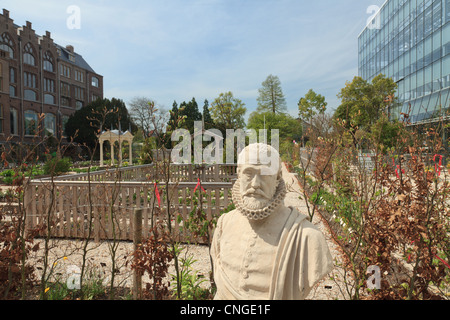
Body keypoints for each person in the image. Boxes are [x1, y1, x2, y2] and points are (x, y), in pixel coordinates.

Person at [211, 143, 333, 300]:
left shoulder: (307, 238)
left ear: (277, 178)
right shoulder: (224, 224)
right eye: (249, 173)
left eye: (265, 174)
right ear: (239, 175)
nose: (255, 184)